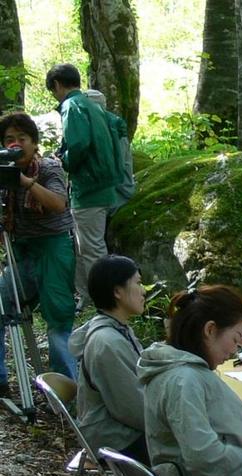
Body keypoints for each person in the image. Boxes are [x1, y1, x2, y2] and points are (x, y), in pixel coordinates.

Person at [138, 285, 242, 476]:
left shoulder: (185, 372)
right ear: (210, 330)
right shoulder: (183, 380)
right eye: (234, 339)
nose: (234, 350)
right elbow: (203, 456)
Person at [0, 111, 78, 397]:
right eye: (9, 139)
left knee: (58, 319)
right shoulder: (1, 170)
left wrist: (23, 181)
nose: (16, 144)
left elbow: (59, 203)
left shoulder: (48, 168)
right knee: (1, 304)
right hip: (22, 252)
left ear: (34, 143)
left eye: (22, 138)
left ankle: (68, 394)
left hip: (53, 248)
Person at [45, 63, 118, 302]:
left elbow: (78, 144)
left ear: (57, 85)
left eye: (53, 90)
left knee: (93, 248)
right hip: (102, 184)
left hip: (89, 187)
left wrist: (63, 160)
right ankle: (86, 295)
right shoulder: (91, 105)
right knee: (83, 245)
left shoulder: (71, 105)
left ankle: (105, 300)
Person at [68, 256, 147, 462]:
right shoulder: (108, 342)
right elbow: (134, 411)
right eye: (137, 283)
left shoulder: (115, 327)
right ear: (117, 291)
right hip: (116, 439)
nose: (143, 291)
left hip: (119, 430)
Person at [83, 89, 135, 216]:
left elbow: (114, 170)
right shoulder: (97, 127)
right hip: (104, 194)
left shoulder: (114, 128)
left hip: (116, 196)